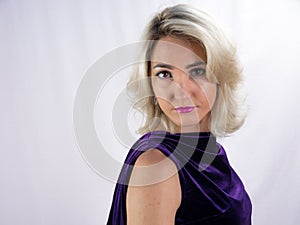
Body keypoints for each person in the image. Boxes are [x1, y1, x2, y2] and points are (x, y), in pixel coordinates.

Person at [107, 4, 252, 225]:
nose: (182, 92)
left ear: (220, 75)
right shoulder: (157, 166)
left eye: (197, 71)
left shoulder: (210, 152)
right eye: (165, 74)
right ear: (150, 82)